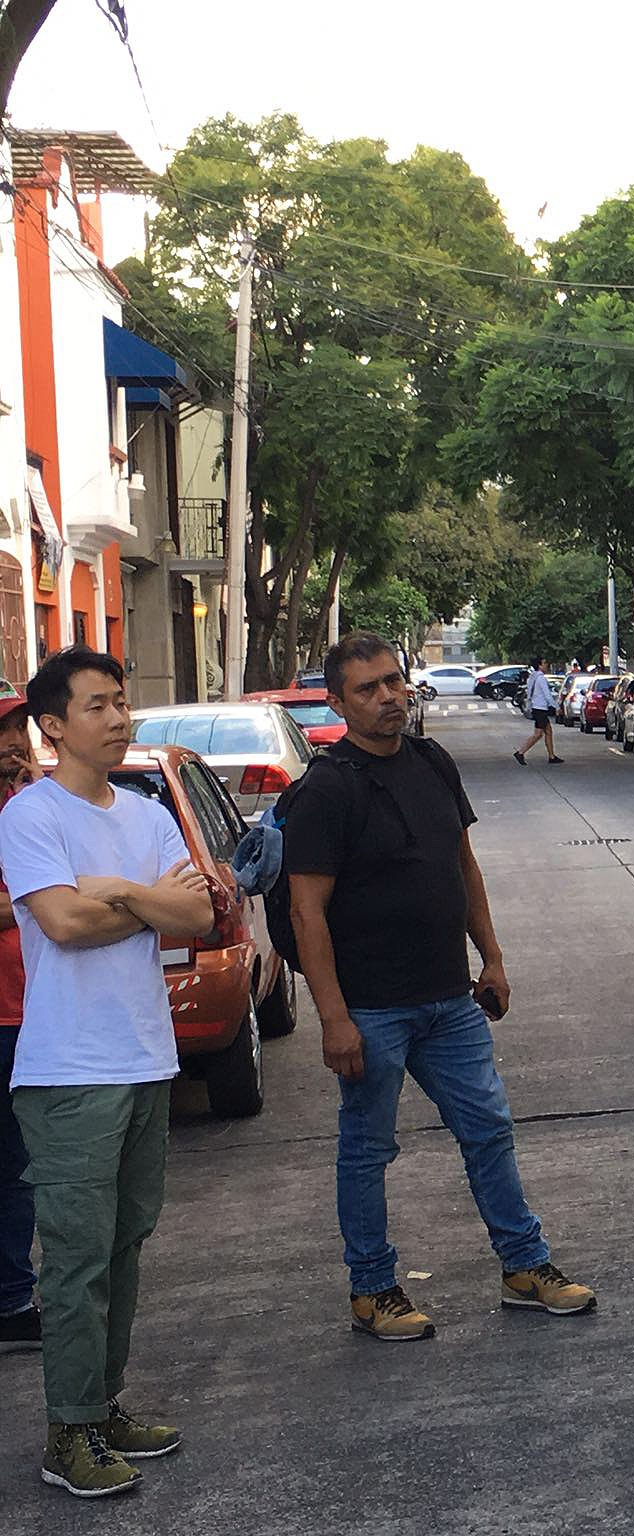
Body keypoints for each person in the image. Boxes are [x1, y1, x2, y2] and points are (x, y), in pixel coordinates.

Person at [287, 631, 594, 1342]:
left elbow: (465, 869)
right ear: (336, 702)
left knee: (488, 1130)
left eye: (394, 681)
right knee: (368, 1151)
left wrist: (492, 958)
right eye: (368, 688)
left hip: (448, 999)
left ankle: (525, 1267)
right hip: (370, 1008)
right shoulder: (328, 790)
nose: (389, 696)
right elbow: (307, 914)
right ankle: (372, 1288)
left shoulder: (431, 762)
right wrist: (333, 1018)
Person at [1, 648, 214, 1498]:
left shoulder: (147, 813)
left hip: (146, 1059)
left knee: (125, 1245)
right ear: (53, 726)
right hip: (68, 1072)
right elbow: (61, 924)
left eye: (122, 703)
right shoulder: (28, 814)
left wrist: (118, 890)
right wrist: (143, 905)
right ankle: (68, 1433)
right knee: (77, 1260)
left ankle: (103, 1403)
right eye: (99, 706)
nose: (119, 718)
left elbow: (196, 911)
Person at [0, 693, 41, 1356]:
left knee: (19, 1165)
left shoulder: (29, 807)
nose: (15, 742)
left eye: (18, 730)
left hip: (30, 1012)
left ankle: (13, 1297)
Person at [514, 657, 562, 765]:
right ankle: (520, 752)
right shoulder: (541, 679)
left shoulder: (533, 677)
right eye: (544, 663)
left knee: (548, 731)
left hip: (537, 707)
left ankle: (552, 756)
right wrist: (556, 707)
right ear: (539, 665)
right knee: (538, 734)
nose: (547, 665)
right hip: (540, 708)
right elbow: (547, 695)